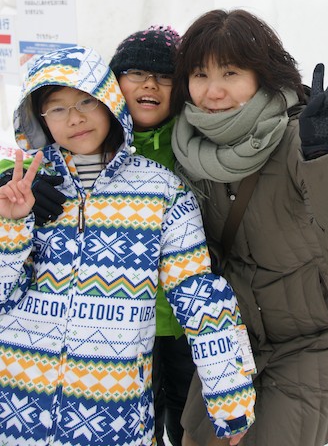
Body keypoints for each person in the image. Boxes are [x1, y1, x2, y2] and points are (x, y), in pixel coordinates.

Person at [0, 45, 255, 446]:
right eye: (57, 108)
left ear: (110, 102)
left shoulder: (162, 191)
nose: (75, 118)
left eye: (86, 101)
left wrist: (230, 397)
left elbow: (199, 294)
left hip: (115, 417)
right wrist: (11, 227)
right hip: (16, 409)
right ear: (38, 118)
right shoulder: (22, 188)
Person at [170, 9, 328, 446]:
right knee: (197, 439)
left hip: (320, 335)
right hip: (237, 337)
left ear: (263, 74)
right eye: (200, 74)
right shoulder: (187, 146)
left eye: (230, 73)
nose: (213, 91)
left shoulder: (298, 140)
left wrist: (325, 153)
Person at [109, 26, 195, 446]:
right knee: (136, 423)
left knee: (189, 421)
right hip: (122, 320)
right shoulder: (93, 138)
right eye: (137, 73)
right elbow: (31, 159)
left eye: (165, 76)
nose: (150, 84)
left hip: (186, 321)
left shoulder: (196, 144)